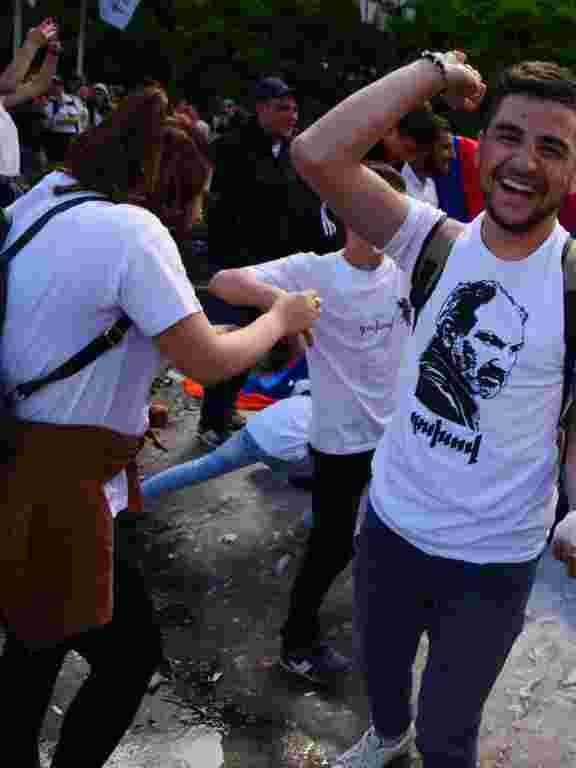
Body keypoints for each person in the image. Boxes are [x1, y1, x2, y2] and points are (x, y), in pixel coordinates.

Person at [290, 53, 576, 767]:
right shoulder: (428, 239)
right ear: (483, 144)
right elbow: (317, 153)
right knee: (381, 684)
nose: (524, 162)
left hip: (494, 560)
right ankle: (386, 739)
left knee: (451, 734)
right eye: (509, 136)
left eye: (552, 148)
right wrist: (430, 73)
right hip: (390, 526)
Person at [0, 84, 320, 768]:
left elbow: (52, 324)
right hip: (60, 485)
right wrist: (278, 321)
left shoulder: (47, 198)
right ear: (171, 189)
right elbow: (207, 356)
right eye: (195, 198)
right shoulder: (134, 232)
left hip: (19, 450)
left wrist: (117, 409)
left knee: (35, 642)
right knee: (118, 653)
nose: (197, 216)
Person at [208, 162, 414, 686]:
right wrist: (283, 305)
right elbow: (224, 282)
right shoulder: (315, 271)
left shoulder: (404, 269)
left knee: (394, 537)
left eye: (392, 210)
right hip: (340, 441)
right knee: (331, 546)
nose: (384, 220)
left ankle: (381, 625)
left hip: (395, 438)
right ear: (347, 212)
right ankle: (296, 644)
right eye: (372, 207)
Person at [199, 75, 335, 447]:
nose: (292, 115)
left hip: (282, 264)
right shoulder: (231, 148)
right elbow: (223, 214)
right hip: (241, 266)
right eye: (282, 108)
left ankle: (228, 410)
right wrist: (231, 267)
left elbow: (305, 207)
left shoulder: (297, 153)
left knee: (264, 344)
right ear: (261, 109)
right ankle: (212, 419)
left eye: (293, 108)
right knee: (233, 342)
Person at [141, 388, 315, 499]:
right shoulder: (337, 414)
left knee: (199, 468)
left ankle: (137, 494)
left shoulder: (309, 387)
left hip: (255, 431)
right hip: (282, 452)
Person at [0, 18, 60, 205]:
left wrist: (52, 53)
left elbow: (39, 85)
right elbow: (8, 83)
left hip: (9, 184)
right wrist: (32, 43)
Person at [42, 74, 89, 162]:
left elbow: (81, 120)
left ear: (62, 86)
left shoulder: (74, 100)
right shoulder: (46, 102)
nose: (55, 87)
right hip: (53, 139)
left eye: (57, 84)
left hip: (71, 138)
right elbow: (46, 124)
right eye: (52, 84)